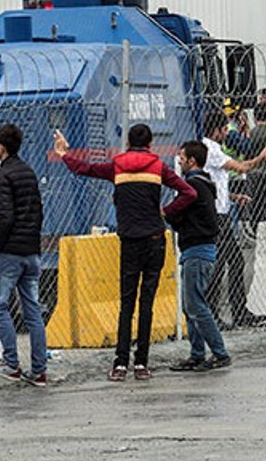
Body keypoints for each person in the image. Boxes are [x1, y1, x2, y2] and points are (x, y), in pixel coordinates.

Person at [56, 123, 197, 380]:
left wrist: (65, 153)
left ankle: (120, 364)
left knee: (126, 303)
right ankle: (141, 363)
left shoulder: (117, 166)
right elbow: (189, 192)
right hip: (155, 239)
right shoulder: (158, 167)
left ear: (129, 143)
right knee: (147, 304)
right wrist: (165, 211)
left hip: (129, 241)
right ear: (150, 144)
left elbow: (84, 168)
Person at [0, 123, 48, 387]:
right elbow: (39, 211)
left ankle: (11, 363)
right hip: (31, 251)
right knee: (32, 309)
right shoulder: (29, 172)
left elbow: (5, 217)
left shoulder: (2, 176)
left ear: (2, 147)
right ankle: (39, 369)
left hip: (10, 251)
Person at [200, 113, 266, 329]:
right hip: (217, 217)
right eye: (224, 130)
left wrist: (232, 197)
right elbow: (242, 168)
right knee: (222, 263)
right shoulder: (211, 149)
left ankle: (238, 311)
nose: (226, 135)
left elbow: (215, 183)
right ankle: (216, 312)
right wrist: (261, 157)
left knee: (233, 260)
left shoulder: (211, 149)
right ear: (217, 130)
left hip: (220, 212)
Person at [166, 141, 231, 372]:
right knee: (190, 305)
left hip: (197, 251)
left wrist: (169, 214)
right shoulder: (204, 184)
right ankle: (197, 354)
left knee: (196, 305)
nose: (179, 160)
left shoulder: (192, 187)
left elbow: (175, 214)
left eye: (182, 157)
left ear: (192, 160)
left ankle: (219, 352)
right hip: (197, 251)